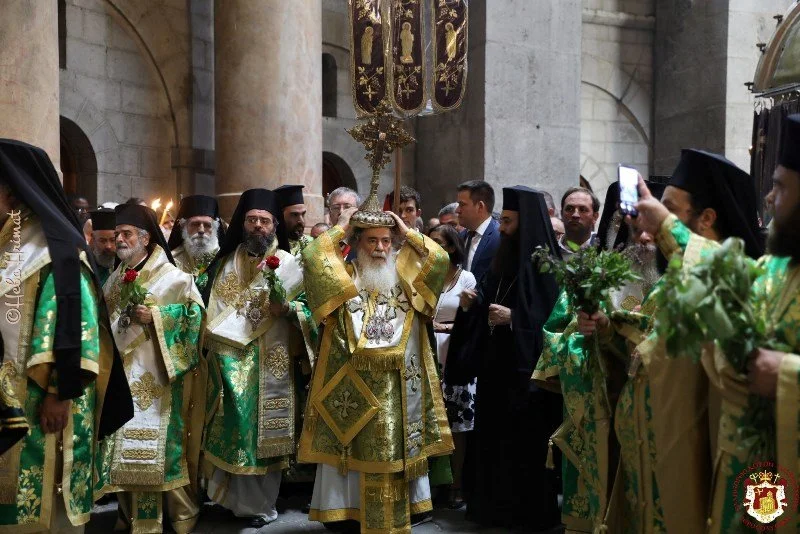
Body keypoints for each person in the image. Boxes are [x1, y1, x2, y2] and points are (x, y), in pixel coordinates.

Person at [578, 149, 763, 533]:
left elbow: (733, 288)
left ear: (706, 218)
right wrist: (607, 331)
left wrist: (668, 230)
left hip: (695, 468)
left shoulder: (739, 281)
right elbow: (642, 354)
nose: (652, 224)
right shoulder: (671, 284)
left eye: (670, 211)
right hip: (649, 466)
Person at [634, 125, 800, 532]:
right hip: (748, 472)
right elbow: (728, 280)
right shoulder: (779, 267)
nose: (769, 197)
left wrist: (789, 375)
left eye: (779, 186)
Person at [0, 139, 132, 532]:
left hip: (42, 402)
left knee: (41, 507)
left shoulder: (55, 251)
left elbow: (78, 330)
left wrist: (61, 393)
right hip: (6, 396)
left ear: (11, 191)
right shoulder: (7, 241)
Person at [298, 204, 453, 533]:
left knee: (394, 442)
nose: (380, 248)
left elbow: (440, 260)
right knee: (349, 444)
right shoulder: (345, 277)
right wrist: (341, 226)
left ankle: (404, 508)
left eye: (385, 240)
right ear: (357, 243)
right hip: (352, 384)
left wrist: (409, 231)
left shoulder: (407, 277)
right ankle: (345, 509)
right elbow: (313, 256)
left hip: (397, 386)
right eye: (371, 241)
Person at [533, 180, 665, 533]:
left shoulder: (680, 282)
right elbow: (556, 335)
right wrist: (587, 336)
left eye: (651, 230)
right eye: (634, 229)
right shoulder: (594, 278)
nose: (644, 240)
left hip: (659, 412)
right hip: (601, 407)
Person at [201, 189, 316, 527]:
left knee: (266, 438)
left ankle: (259, 507)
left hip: (272, 363)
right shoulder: (224, 262)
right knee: (231, 432)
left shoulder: (290, 264)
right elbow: (213, 311)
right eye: (251, 220)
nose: (257, 226)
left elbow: (311, 310)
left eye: (264, 221)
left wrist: (290, 309)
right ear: (242, 223)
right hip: (227, 363)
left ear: (274, 225)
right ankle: (228, 499)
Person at [450, 186, 562, 530]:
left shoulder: (546, 265)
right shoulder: (503, 259)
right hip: (495, 367)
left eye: (509, 222)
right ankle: (491, 507)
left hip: (527, 374)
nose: (501, 228)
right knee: (492, 440)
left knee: (522, 445)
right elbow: (488, 292)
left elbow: (556, 321)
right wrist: (474, 301)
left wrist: (515, 319)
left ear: (525, 224)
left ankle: (525, 514)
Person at [96, 203, 205, 534]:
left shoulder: (174, 278)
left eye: (126, 234)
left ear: (145, 238)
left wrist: (158, 317)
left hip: (158, 376)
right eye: (117, 235)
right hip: (122, 376)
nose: (120, 241)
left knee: (160, 449)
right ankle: (129, 517)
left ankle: (176, 516)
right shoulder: (115, 279)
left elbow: (196, 318)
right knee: (123, 447)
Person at [428, 224, 476, 510]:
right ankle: (433, 486)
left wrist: (442, 326)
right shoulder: (425, 275)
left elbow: (473, 321)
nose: (432, 246)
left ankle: (457, 484)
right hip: (427, 356)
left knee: (456, 427)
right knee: (431, 425)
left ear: (451, 248)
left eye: (438, 242)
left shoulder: (465, 278)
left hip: (455, 355)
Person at [167, 194, 224, 293]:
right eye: (195, 224)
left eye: (207, 225)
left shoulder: (224, 260)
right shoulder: (171, 261)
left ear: (214, 228)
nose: (201, 230)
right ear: (184, 226)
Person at [455, 180, 500, 282]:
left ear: (480, 206)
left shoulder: (498, 238)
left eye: (462, 205)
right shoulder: (460, 237)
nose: (457, 210)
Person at [559, 187, 600, 259]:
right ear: (561, 214)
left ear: (595, 217)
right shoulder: (550, 251)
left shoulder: (604, 250)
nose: (575, 215)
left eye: (583, 210)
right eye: (569, 209)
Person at [275, 184, 312, 256]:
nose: (301, 221)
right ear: (280, 216)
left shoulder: (310, 242)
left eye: (303, 214)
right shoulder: (271, 247)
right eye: (295, 215)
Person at [327, 187, 362, 257]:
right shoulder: (323, 241)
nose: (341, 212)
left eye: (347, 207)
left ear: (358, 212)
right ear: (330, 213)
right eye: (336, 208)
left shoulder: (364, 240)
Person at [89, 208, 117, 285]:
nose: (108, 246)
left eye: (112, 240)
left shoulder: (123, 264)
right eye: (102, 241)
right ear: (93, 239)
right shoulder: (86, 267)